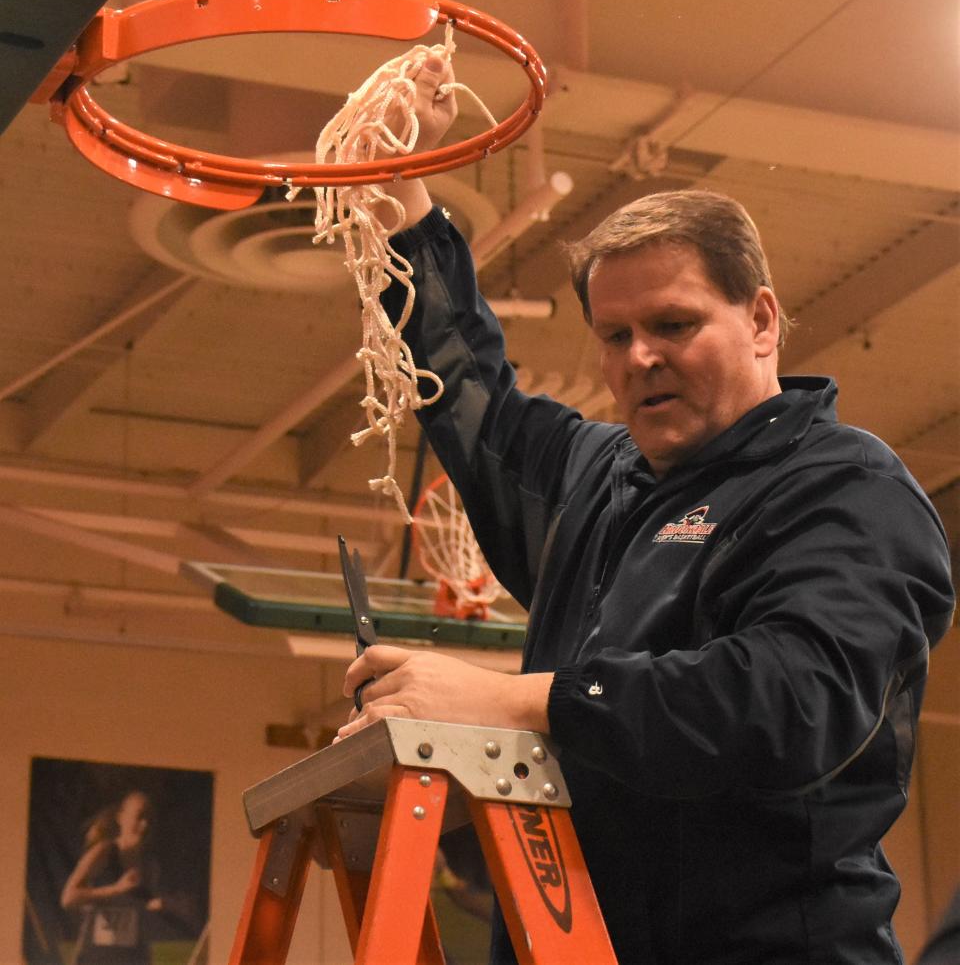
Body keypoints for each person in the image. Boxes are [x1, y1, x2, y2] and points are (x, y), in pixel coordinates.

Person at [336, 57, 956, 964]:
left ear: (763, 320)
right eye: (616, 337)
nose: (640, 359)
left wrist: (514, 700)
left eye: (674, 325)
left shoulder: (843, 487)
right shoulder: (601, 476)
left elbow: (789, 699)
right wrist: (405, 203)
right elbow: (473, 401)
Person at [61, 790, 162, 965]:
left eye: (149, 819)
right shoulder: (104, 853)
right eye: (139, 817)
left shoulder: (150, 865)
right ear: (121, 818)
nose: (144, 824)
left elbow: (141, 920)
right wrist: (115, 889)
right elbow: (68, 898)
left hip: (131, 959)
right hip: (95, 958)